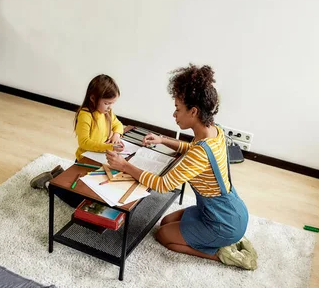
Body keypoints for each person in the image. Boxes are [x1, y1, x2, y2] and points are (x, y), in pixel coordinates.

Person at [106, 64, 251, 263]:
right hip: (228, 210)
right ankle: (216, 241)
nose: (174, 114)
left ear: (193, 111)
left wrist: (124, 166)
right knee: (164, 222)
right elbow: (194, 152)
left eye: (177, 109)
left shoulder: (200, 151)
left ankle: (222, 254)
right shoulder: (213, 131)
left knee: (163, 236)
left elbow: (163, 184)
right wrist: (163, 140)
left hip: (222, 223)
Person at [30, 75, 125, 205]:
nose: (110, 107)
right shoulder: (85, 115)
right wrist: (108, 147)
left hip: (99, 160)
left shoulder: (107, 112)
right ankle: (49, 184)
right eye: (107, 103)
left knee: (104, 192)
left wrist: (116, 135)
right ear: (93, 98)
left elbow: (118, 124)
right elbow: (84, 142)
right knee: (78, 202)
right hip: (84, 161)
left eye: (112, 103)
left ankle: (60, 175)